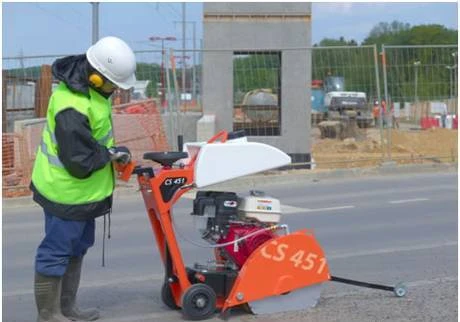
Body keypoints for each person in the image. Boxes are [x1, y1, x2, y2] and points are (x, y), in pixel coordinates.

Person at [30, 36, 136, 322]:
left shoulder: (92, 93)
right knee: (56, 251)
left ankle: (67, 308)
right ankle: (48, 315)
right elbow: (78, 162)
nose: (115, 90)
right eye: (114, 83)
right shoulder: (72, 107)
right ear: (95, 77)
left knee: (76, 248)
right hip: (65, 192)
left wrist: (111, 153)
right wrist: (111, 154)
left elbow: (91, 143)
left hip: (83, 194)